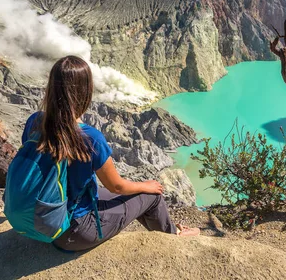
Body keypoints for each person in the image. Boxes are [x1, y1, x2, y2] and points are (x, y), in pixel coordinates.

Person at [23, 55, 199, 251]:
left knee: (128, 194)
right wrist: (146, 185)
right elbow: (117, 186)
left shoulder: (34, 121)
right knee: (152, 195)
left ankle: (170, 230)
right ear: (85, 91)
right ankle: (174, 239)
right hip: (75, 232)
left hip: (42, 220)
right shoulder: (90, 138)